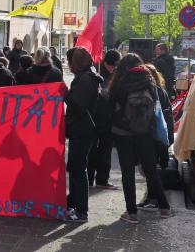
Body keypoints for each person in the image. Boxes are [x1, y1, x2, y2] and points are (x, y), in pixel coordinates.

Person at [108, 53, 172, 223]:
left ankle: (132, 213)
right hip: (145, 132)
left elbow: (110, 104)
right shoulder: (149, 80)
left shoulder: (120, 82)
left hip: (123, 133)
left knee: (127, 173)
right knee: (151, 170)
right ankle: (164, 208)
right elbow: (157, 106)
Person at [64, 47, 102, 223]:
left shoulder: (85, 80)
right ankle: (72, 203)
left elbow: (78, 105)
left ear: (76, 62)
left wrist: (65, 94)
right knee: (75, 168)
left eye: (69, 61)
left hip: (82, 130)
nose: (68, 64)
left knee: (78, 169)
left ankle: (81, 211)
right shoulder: (87, 77)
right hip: (82, 130)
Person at [137, 63, 175, 211]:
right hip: (160, 136)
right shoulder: (161, 90)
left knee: (151, 169)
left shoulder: (154, 92)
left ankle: (154, 200)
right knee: (151, 168)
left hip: (154, 136)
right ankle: (152, 198)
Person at [88, 49, 121, 190]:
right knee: (92, 150)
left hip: (108, 118)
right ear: (108, 63)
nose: (115, 68)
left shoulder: (116, 74)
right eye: (114, 65)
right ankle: (89, 178)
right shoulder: (95, 72)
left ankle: (102, 179)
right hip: (94, 118)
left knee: (106, 150)